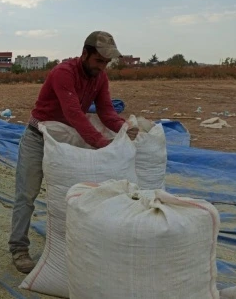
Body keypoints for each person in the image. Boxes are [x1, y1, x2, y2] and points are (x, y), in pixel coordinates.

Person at [8, 31, 139, 273]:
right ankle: (18, 248)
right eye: (99, 61)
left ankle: (65, 246)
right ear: (85, 54)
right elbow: (74, 114)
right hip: (38, 139)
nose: (102, 67)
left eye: (106, 63)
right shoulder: (63, 73)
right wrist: (101, 144)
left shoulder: (100, 78)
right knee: (26, 195)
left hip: (65, 142)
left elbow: (107, 112)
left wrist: (124, 130)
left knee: (69, 196)